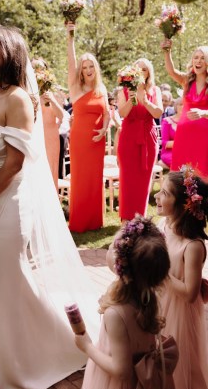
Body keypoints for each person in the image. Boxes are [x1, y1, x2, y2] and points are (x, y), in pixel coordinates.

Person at [0, 25, 101, 389]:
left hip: (10, 199)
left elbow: (13, 163)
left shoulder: (18, 100)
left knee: (9, 279)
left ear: (8, 53)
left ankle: (38, 353)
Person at [71, 215, 181, 389]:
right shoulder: (150, 297)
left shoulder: (116, 314)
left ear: (122, 267)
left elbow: (122, 371)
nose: (110, 249)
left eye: (112, 247)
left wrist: (87, 347)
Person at [155, 167, 208, 389]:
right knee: (157, 371)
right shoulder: (163, 228)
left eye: (165, 193)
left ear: (184, 204)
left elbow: (189, 294)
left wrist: (158, 271)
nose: (158, 196)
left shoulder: (193, 246)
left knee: (178, 377)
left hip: (180, 316)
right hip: (159, 308)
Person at [66, 22, 110, 232]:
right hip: (80, 141)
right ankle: (79, 222)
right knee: (80, 180)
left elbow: (108, 113)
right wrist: (70, 37)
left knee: (94, 180)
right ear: (81, 71)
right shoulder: (76, 88)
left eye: (91, 66)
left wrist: (104, 129)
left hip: (97, 141)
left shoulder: (102, 88)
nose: (89, 70)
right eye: (85, 67)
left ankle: (94, 222)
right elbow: (70, 61)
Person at [117, 58, 163, 221]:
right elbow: (122, 113)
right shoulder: (124, 90)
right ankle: (125, 219)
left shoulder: (154, 90)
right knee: (127, 180)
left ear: (148, 73)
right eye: (138, 69)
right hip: (128, 137)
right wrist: (132, 98)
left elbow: (158, 113)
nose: (141, 72)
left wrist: (145, 102)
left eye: (144, 69)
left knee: (144, 181)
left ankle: (140, 219)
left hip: (148, 137)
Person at [161, 40, 208, 177]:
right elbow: (171, 71)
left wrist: (204, 113)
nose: (198, 61)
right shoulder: (187, 80)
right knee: (183, 175)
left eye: (202, 58)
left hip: (204, 137)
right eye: (196, 57)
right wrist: (167, 51)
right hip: (184, 136)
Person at [40, 89, 64, 189]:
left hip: (50, 138)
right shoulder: (29, 93)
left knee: (50, 170)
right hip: (35, 137)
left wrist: (52, 100)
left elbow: (61, 116)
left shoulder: (52, 94)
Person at [159, 97, 183, 169]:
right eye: (181, 104)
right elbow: (164, 143)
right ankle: (187, 179)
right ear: (176, 106)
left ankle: (187, 179)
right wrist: (181, 143)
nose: (183, 106)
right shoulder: (167, 121)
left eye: (186, 104)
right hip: (169, 153)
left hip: (186, 152)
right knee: (184, 164)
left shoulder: (189, 122)